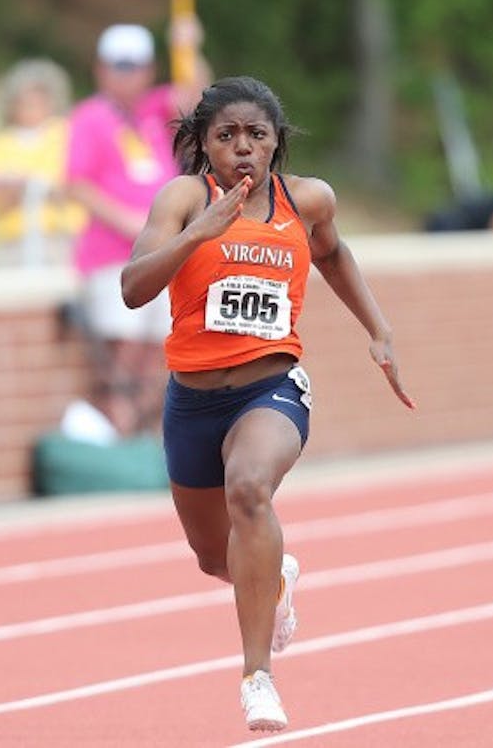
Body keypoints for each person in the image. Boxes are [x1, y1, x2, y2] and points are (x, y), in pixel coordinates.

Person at [121, 76, 414, 731]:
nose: (243, 148)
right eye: (227, 136)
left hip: (270, 389)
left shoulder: (306, 201)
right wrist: (199, 232)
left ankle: (258, 677)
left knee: (250, 488)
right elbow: (133, 288)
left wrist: (379, 329)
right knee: (209, 554)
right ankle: (272, 574)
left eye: (257, 135)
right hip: (192, 401)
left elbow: (334, 256)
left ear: (276, 141)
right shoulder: (183, 199)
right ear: (202, 143)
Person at [65, 21, 209, 439]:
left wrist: (188, 49)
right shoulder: (90, 117)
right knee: (122, 350)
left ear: (149, 70)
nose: (126, 74)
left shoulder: (151, 113)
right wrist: (130, 221)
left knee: (161, 351)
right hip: (112, 257)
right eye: (118, 66)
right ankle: (118, 430)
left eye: (135, 66)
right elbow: (76, 183)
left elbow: (198, 98)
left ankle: (142, 433)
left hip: (162, 256)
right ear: (101, 69)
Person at [0, 58, 85, 263]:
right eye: (25, 102)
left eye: (39, 102)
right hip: (15, 240)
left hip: (63, 237)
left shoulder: (67, 133)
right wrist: (34, 187)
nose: (32, 108)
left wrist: (27, 186)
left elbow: (72, 186)